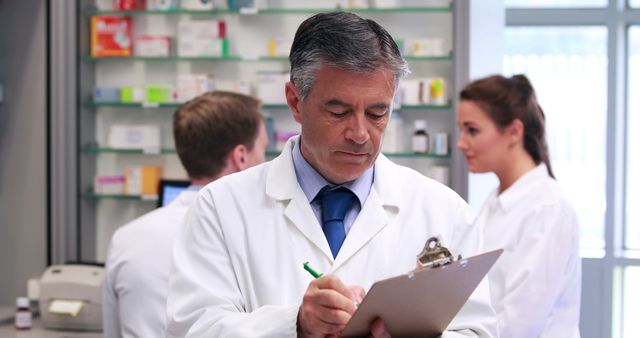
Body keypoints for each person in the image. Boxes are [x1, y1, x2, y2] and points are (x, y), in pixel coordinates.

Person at [166, 12, 497, 338]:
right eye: (338, 112)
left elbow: (478, 332)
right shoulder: (221, 207)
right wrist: (293, 325)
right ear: (295, 102)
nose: (359, 133)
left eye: (377, 113)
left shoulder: (443, 211)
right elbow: (192, 330)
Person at [102, 91, 269, 338]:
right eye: (263, 151)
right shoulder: (255, 235)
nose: (266, 163)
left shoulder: (127, 238)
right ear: (241, 157)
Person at [456, 74, 581, 338]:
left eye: (472, 130)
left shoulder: (548, 208)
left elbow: (519, 326)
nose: (461, 142)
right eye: (461, 129)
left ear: (514, 131)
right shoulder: (495, 201)